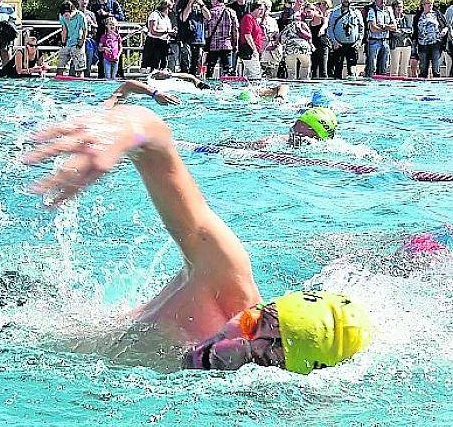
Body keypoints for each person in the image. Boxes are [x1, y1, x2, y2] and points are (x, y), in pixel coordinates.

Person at [23, 89, 371, 374]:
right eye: (252, 323)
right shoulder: (225, 282)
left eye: (262, 357)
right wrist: (119, 129)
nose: (234, 343)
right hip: (21, 313)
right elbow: (155, 138)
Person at [89, 0, 126, 77]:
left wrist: (108, 14)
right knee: (101, 56)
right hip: (100, 34)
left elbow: (121, 17)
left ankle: (118, 75)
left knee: (117, 55)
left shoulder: (113, 3)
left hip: (114, 36)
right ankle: (101, 76)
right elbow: (91, 18)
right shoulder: (93, 5)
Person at [326, 0, 364, 79]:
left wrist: (359, 41)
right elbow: (330, 28)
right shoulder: (335, 13)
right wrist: (334, 42)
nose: (346, 0)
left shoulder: (356, 12)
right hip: (339, 45)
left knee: (352, 70)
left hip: (352, 45)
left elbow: (361, 28)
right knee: (337, 70)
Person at [176, 0, 210, 76]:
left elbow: (208, 16)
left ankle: (195, 79)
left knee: (197, 64)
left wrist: (201, 4)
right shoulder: (183, 2)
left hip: (198, 39)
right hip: (186, 38)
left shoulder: (201, 4)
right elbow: (183, 18)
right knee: (186, 63)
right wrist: (190, 3)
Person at [412, 0, 449, 78]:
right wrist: (414, 47)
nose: (430, 5)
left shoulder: (437, 14)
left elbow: (446, 25)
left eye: (431, 3)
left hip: (435, 44)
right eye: (428, 3)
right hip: (422, 44)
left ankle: (436, 85)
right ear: (423, 5)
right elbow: (415, 31)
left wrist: (444, 31)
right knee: (423, 68)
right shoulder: (418, 16)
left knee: (436, 68)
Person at [204, 0, 238, 78]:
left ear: (216, 0)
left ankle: (209, 87)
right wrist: (235, 44)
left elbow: (205, 29)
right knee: (227, 70)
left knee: (210, 68)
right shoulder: (231, 12)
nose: (211, 2)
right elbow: (235, 30)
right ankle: (226, 86)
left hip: (213, 45)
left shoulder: (210, 12)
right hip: (227, 44)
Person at [365, 0, 396, 77]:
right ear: (375, 0)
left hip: (385, 42)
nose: (382, 1)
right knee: (372, 67)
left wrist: (382, 26)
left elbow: (394, 27)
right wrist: (387, 28)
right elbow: (373, 28)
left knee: (384, 67)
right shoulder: (372, 11)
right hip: (373, 42)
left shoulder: (388, 10)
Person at [56, 0, 87, 77]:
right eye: (64, 15)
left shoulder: (80, 16)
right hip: (67, 43)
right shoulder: (61, 15)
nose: (66, 17)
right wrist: (63, 42)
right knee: (60, 65)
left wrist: (81, 42)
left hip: (77, 43)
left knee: (79, 68)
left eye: (67, 15)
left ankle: (80, 83)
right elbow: (64, 29)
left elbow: (85, 30)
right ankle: (59, 81)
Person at [280, 7, 314, 79]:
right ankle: (304, 82)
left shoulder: (288, 26)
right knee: (305, 66)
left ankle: (292, 85)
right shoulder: (303, 24)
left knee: (291, 70)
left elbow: (282, 38)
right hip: (303, 49)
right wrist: (311, 45)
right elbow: (309, 36)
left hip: (289, 49)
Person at [141, 0, 174, 71]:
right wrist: (166, 32)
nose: (170, 11)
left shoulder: (167, 18)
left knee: (163, 66)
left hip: (164, 43)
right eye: (170, 9)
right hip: (154, 43)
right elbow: (152, 31)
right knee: (154, 66)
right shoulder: (155, 15)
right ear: (166, 7)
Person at [238, 1, 266, 79]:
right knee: (255, 75)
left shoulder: (255, 20)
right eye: (260, 9)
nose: (262, 12)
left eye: (263, 10)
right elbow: (247, 35)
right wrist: (254, 50)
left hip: (252, 50)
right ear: (254, 9)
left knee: (249, 76)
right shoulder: (248, 18)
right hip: (249, 50)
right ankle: (257, 90)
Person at [75, 0, 98, 78]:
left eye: (85, 0)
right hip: (77, 41)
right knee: (75, 64)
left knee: (88, 63)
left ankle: (86, 81)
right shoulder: (75, 13)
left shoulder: (91, 14)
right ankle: (72, 82)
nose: (84, 2)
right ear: (78, 1)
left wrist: (91, 23)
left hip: (88, 41)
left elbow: (96, 28)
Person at [389, 0, 413, 77]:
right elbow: (392, 32)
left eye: (401, 7)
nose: (399, 8)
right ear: (394, 8)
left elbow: (410, 30)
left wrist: (400, 31)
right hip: (395, 45)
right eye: (397, 7)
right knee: (394, 68)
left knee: (404, 69)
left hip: (406, 44)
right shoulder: (391, 18)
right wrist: (402, 31)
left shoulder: (406, 17)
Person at [309, 0, 331, 78]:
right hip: (314, 46)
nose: (320, 6)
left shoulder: (324, 18)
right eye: (318, 4)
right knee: (313, 69)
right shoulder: (310, 22)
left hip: (323, 44)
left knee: (323, 70)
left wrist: (321, 30)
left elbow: (325, 24)